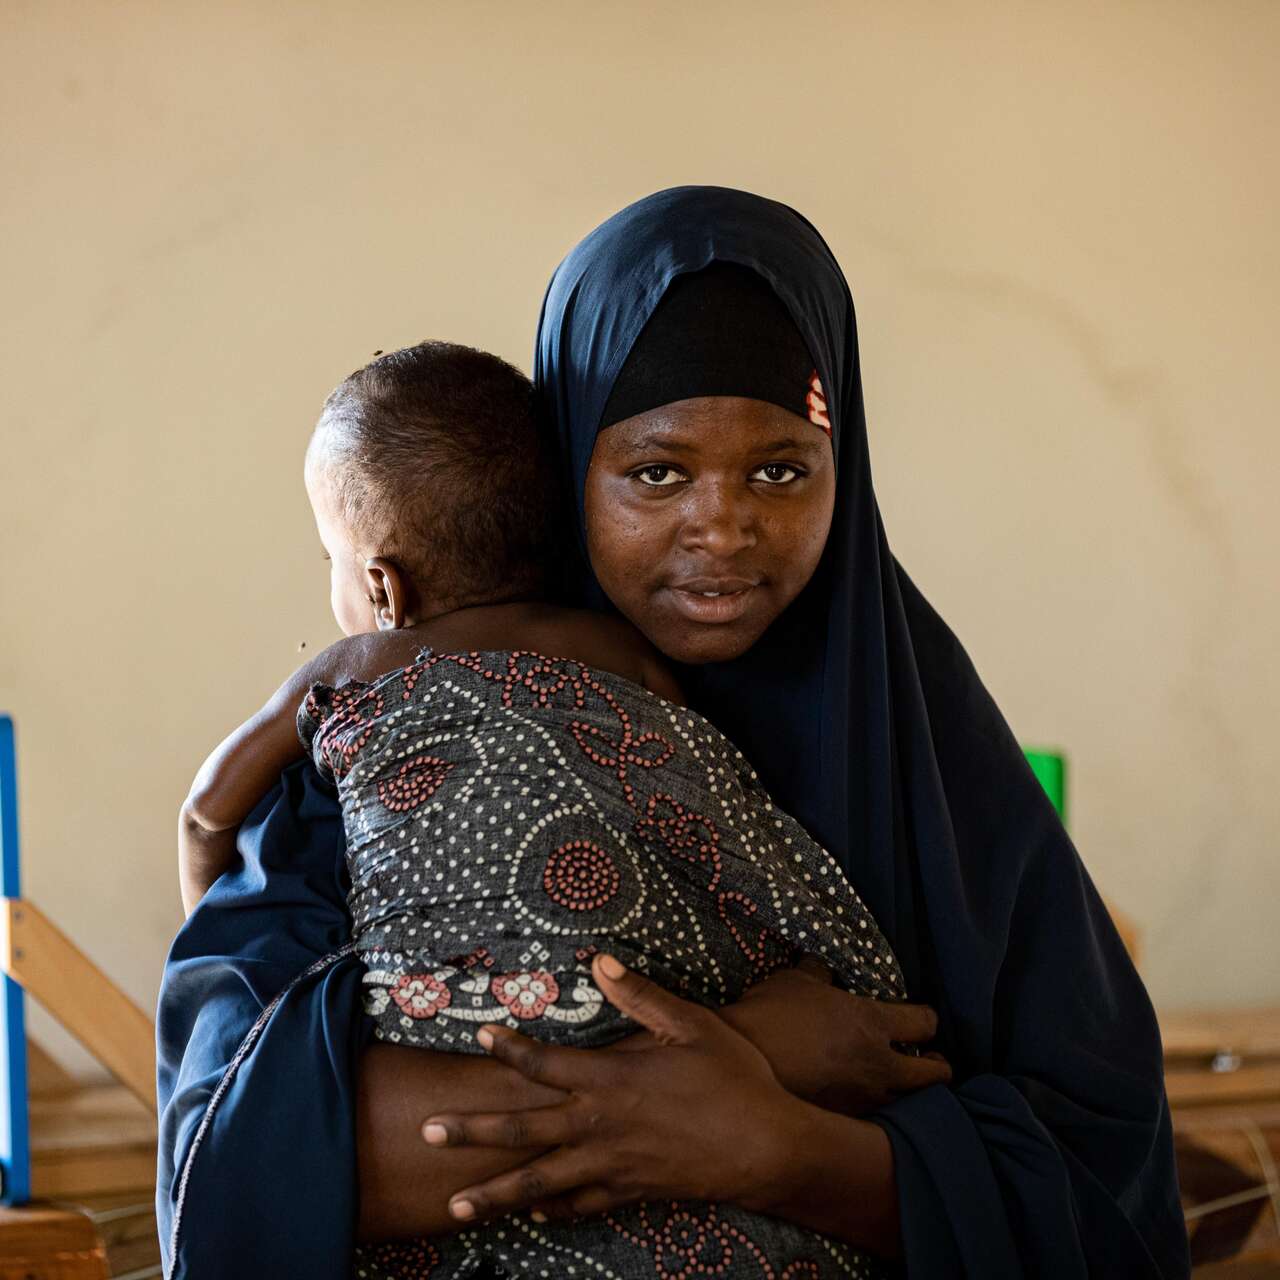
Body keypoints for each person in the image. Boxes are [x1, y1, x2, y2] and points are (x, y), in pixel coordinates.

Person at [157, 187, 1190, 1279]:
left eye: (781, 469)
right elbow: (234, 1145)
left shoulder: (934, 770)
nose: (722, 527)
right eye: (655, 472)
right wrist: (744, 1056)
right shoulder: (398, 745)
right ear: (567, 468)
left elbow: (1101, 1194)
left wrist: (788, 1151)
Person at [175, 335, 933, 1278]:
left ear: (382, 585)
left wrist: (214, 916)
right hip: (664, 1016)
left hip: (471, 1051)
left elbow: (208, 807)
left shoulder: (358, 667)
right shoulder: (626, 654)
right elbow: (685, 784)